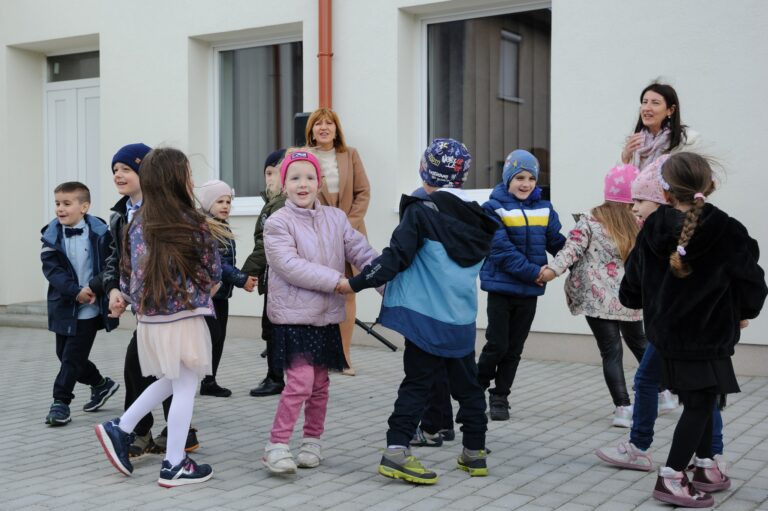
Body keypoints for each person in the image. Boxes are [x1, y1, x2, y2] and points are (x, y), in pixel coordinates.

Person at [341, 138, 498, 485]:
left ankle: (396, 450)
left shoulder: (422, 212)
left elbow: (395, 258)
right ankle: (475, 452)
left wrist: (354, 283)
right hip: (460, 318)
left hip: (424, 319)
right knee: (469, 388)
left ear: (424, 170)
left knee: (417, 384)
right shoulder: (481, 218)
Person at [619, 152, 766, 507]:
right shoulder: (727, 229)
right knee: (700, 404)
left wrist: (650, 302)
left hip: (667, 337)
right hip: (707, 336)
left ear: (664, 192)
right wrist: (743, 312)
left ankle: (703, 466)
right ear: (709, 185)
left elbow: (631, 287)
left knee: (705, 398)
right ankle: (671, 477)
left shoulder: (652, 227)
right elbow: (753, 281)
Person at [95, 147, 224, 487]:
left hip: (149, 320)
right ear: (178, 180)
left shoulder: (136, 222)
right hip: (183, 317)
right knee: (186, 385)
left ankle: (121, 427)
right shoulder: (192, 221)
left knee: (174, 379)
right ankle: (174, 463)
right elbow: (213, 271)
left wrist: (128, 300)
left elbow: (127, 276)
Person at [595, 155, 726, 470]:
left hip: (671, 328)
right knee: (702, 391)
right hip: (701, 328)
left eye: (640, 200)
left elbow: (634, 286)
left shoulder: (655, 234)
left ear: (663, 198)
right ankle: (711, 456)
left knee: (656, 382)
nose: (633, 208)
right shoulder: (707, 227)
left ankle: (643, 448)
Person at [261, 150, 378, 474]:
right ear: (284, 184)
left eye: (309, 177)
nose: (303, 184)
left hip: (326, 318)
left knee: (320, 386)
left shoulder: (336, 218)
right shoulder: (277, 223)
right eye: (295, 178)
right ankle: (276, 445)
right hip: (294, 318)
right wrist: (338, 282)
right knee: (299, 383)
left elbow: (360, 251)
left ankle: (312, 441)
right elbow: (290, 265)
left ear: (320, 182)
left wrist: (385, 278)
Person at [100, 143, 198, 457]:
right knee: (154, 370)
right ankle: (141, 434)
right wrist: (115, 291)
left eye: (126, 169)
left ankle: (160, 435)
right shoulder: (120, 216)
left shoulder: (165, 213)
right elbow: (119, 261)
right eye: (115, 170)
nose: (118, 175)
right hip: (154, 308)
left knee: (172, 372)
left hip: (171, 307)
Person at [538, 165, 647, 427]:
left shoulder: (590, 220)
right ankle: (665, 389)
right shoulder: (640, 222)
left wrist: (552, 270)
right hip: (630, 297)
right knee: (641, 344)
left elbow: (571, 249)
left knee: (611, 352)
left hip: (596, 298)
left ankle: (623, 408)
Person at [477, 149, 566, 421]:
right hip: (502, 289)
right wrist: (536, 273)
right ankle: (475, 389)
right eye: (519, 178)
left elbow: (557, 242)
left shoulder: (545, 208)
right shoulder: (492, 208)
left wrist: (578, 250)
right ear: (507, 179)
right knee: (497, 344)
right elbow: (501, 251)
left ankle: (500, 397)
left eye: (531, 178)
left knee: (514, 348)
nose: (526, 184)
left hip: (528, 292)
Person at [40, 181, 119, 426]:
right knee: (64, 355)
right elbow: (53, 271)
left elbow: (111, 264)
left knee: (72, 358)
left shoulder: (101, 233)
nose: (60, 209)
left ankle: (60, 402)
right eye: (57, 203)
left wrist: (93, 287)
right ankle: (101, 384)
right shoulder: (51, 236)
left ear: (84, 207)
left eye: (67, 203)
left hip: (90, 307)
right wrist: (76, 292)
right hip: (65, 304)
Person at [306, 108, 371, 375]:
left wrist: (345, 226)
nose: (324, 127)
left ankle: (344, 357)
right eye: (318, 123)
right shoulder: (304, 157)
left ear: (336, 129)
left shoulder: (350, 154)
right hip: (315, 236)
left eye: (329, 123)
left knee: (347, 294)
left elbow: (363, 192)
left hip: (349, 235)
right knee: (316, 295)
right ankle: (317, 356)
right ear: (311, 130)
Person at [196, 179, 257, 397]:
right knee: (211, 336)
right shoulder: (205, 228)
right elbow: (218, 263)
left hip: (222, 294)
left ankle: (209, 381)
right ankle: (195, 377)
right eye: (219, 201)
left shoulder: (222, 225)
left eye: (228, 202)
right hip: (208, 294)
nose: (225, 206)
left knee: (219, 337)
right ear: (207, 203)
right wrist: (241, 278)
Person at [243, 149, 288, 397]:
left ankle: (276, 378)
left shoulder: (280, 204)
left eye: (273, 173)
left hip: (278, 277)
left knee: (274, 326)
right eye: (267, 174)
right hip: (277, 276)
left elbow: (265, 244)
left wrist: (245, 274)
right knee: (275, 326)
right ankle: (276, 375)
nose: (269, 179)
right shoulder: (274, 202)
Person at [620, 82, 700, 171]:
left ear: (670, 110)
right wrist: (625, 157)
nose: (647, 108)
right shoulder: (634, 140)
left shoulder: (687, 140)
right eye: (644, 102)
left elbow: (691, 175)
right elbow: (617, 177)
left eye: (655, 103)